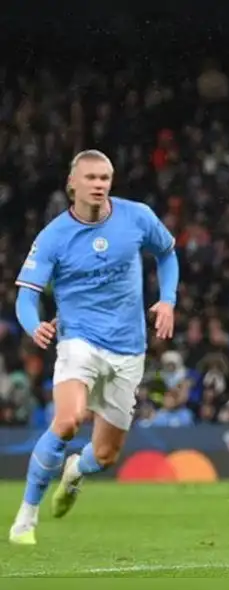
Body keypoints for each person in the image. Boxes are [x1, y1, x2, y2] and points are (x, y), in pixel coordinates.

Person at [8, 150, 178, 545]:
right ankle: (26, 517)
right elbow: (25, 298)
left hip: (129, 349)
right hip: (78, 341)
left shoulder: (137, 217)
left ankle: (75, 472)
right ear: (73, 184)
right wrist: (34, 327)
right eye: (91, 178)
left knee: (104, 456)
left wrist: (167, 298)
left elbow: (167, 254)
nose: (99, 184)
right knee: (68, 421)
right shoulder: (53, 236)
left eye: (105, 177)